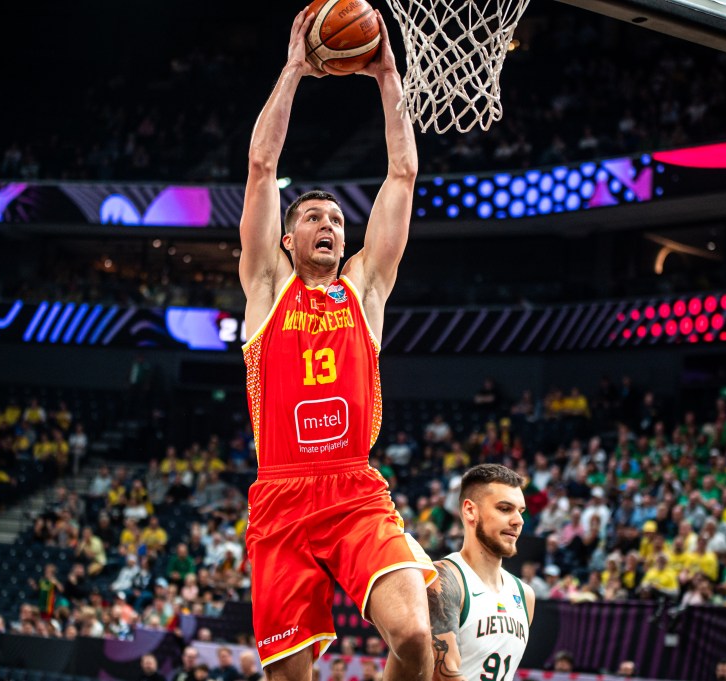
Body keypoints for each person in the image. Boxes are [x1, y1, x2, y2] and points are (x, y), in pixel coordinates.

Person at [237, 7, 435, 681]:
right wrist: (294, 69)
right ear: (287, 239)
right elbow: (261, 166)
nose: (329, 224)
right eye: (313, 217)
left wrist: (387, 77)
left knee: (414, 635)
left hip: (354, 489)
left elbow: (402, 175)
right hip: (281, 496)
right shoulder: (267, 288)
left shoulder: (365, 289)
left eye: (337, 219)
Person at [426, 464, 534, 681]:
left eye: (520, 511)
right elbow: (443, 673)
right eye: (505, 509)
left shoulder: (525, 595)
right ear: (470, 511)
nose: (518, 521)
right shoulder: (444, 579)